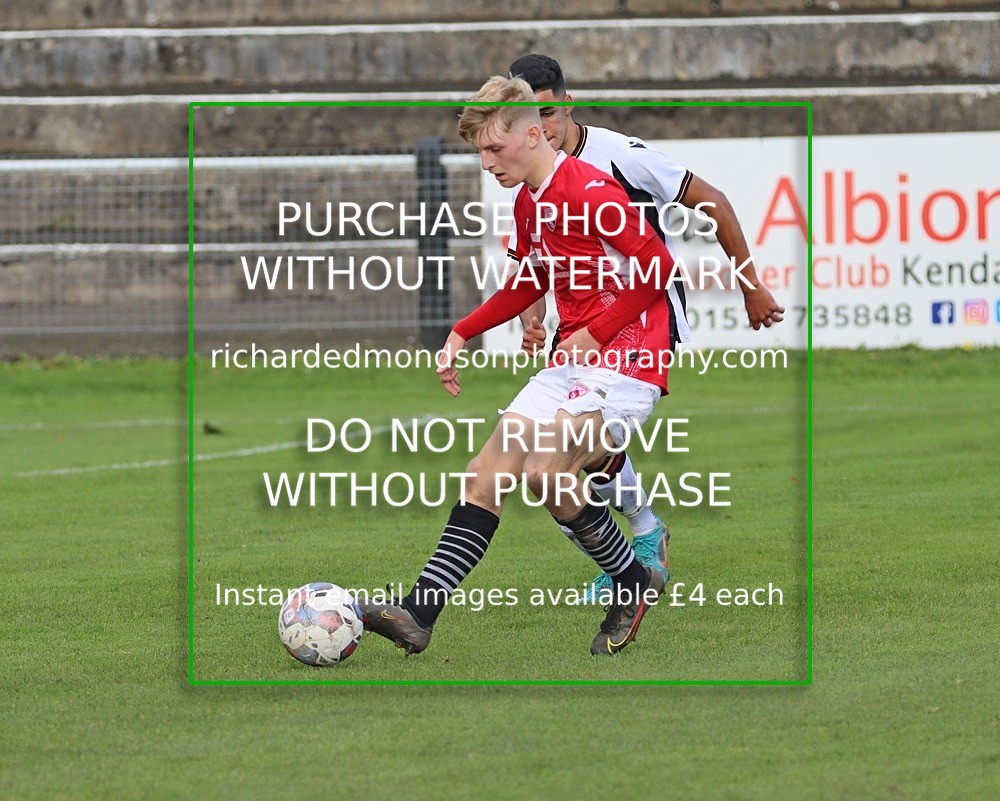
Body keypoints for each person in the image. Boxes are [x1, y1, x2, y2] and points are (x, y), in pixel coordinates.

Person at [360, 75, 680, 656]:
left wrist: (597, 331)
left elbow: (659, 267)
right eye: (479, 150)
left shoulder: (591, 191)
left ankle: (631, 581)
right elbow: (530, 279)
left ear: (535, 133)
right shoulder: (530, 200)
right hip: (574, 362)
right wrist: (463, 331)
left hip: (628, 361)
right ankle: (417, 614)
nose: (486, 162)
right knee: (485, 475)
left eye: (493, 148)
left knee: (547, 471)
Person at [507, 54, 785, 600]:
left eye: (548, 115)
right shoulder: (530, 173)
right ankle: (643, 534)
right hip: (584, 325)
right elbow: (532, 258)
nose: (540, 130)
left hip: (646, 315)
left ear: (566, 104)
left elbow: (715, 203)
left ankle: (631, 559)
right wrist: (532, 316)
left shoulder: (619, 156)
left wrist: (751, 284)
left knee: (568, 447)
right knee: (577, 443)